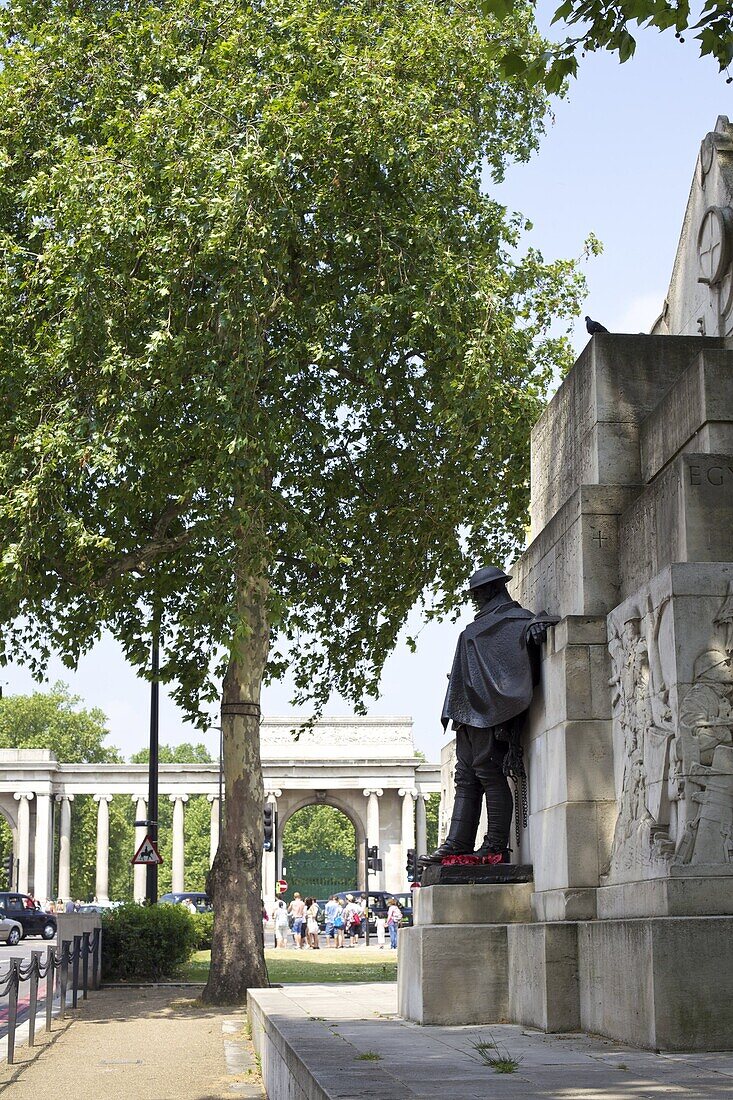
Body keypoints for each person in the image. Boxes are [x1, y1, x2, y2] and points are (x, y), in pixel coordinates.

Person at [421, 564, 555, 864]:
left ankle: (496, 845)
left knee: (489, 773)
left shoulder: (515, 618)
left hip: (490, 712)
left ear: (494, 588)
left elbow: (537, 625)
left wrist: (539, 625)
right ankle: (457, 843)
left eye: (478, 592)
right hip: (468, 712)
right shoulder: (481, 624)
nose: (474, 598)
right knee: (465, 778)